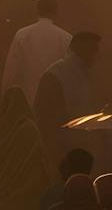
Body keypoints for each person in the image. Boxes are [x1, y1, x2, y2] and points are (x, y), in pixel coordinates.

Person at [34, 32, 102, 167]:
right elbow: (45, 119)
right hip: (62, 151)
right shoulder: (56, 75)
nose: (96, 56)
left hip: (78, 148)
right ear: (82, 50)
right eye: (94, 51)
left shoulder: (81, 73)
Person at [2, 0, 73, 103]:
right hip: (55, 100)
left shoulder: (22, 35)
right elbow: (70, 74)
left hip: (28, 99)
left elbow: (10, 71)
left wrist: (4, 97)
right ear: (55, 11)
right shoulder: (65, 37)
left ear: (37, 10)